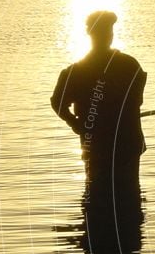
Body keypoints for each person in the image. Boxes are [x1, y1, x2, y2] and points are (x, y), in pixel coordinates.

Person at [51, 11, 147, 196]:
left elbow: (58, 103)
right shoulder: (129, 65)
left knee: (99, 196)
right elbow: (138, 101)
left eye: (110, 31)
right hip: (114, 146)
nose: (109, 36)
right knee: (125, 198)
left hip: (120, 145)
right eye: (105, 31)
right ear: (93, 34)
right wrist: (77, 124)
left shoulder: (76, 71)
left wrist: (76, 123)